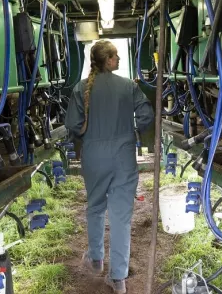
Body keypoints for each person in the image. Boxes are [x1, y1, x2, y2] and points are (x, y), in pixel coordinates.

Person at [65, 40, 154, 294]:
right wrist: (135, 133)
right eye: (116, 56)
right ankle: (118, 278)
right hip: (124, 155)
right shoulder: (128, 86)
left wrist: (88, 137)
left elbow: (72, 123)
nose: (120, 60)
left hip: (93, 155)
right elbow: (146, 116)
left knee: (94, 207)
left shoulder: (80, 89)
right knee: (121, 217)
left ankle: (96, 260)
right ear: (107, 60)